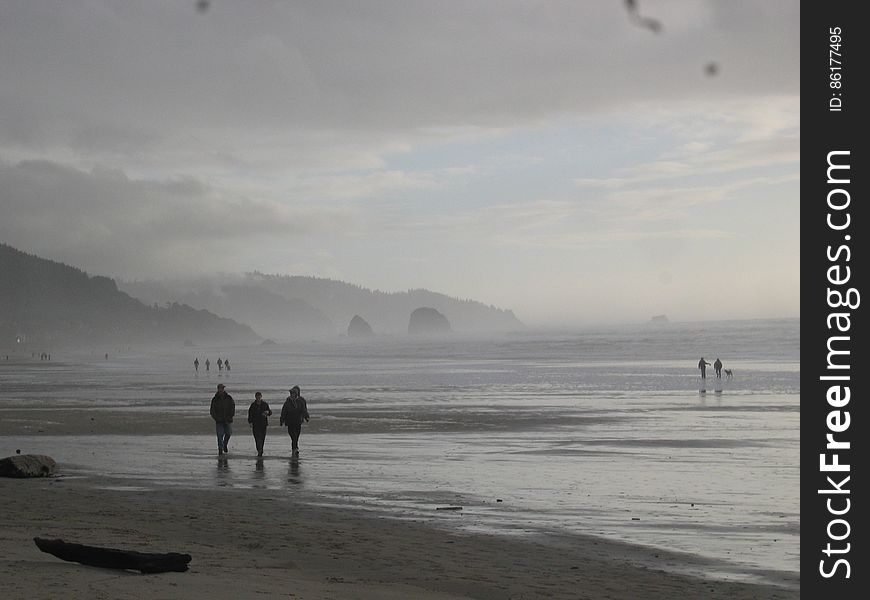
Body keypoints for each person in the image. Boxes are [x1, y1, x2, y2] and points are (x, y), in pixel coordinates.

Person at [280, 385, 310, 455]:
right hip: (290, 422)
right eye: (291, 393)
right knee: (293, 436)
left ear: (296, 394)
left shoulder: (300, 401)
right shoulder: (287, 402)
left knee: (296, 436)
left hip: (298, 422)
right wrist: (282, 420)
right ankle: (295, 448)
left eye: (294, 393)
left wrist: (306, 417)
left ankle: (294, 448)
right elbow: (283, 411)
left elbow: (304, 410)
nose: (292, 395)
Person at [210, 383, 235, 455]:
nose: (222, 390)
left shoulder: (228, 397)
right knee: (220, 435)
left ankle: (225, 445)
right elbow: (212, 411)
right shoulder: (215, 399)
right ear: (218, 389)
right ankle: (220, 449)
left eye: (223, 388)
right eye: (220, 388)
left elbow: (232, 407)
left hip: (228, 419)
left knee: (228, 433)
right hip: (219, 421)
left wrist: (230, 416)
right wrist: (216, 418)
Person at [247, 392, 272, 457]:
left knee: (262, 438)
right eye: (257, 396)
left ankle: (261, 449)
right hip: (255, 424)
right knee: (257, 438)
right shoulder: (253, 405)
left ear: (261, 397)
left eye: (259, 396)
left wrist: (267, 412)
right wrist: (250, 422)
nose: (258, 398)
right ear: (255, 397)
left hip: (263, 424)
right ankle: (259, 450)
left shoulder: (265, 404)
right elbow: (250, 414)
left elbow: (270, 412)